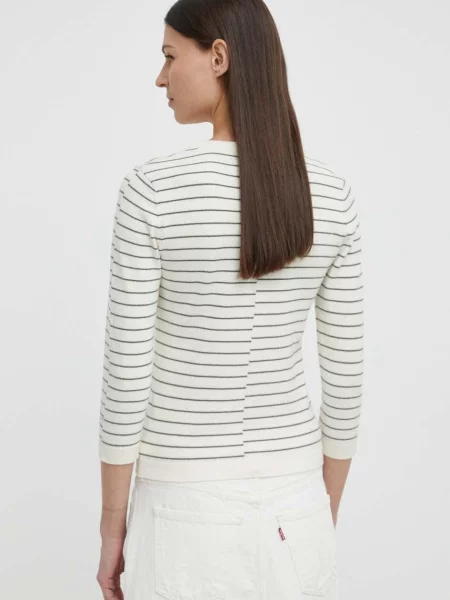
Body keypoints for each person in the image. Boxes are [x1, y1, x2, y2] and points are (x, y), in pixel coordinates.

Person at [96, 1, 364, 599]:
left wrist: (113, 528)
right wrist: (321, 510)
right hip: (298, 504)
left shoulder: (151, 191)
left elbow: (126, 378)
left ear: (219, 56)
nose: (160, 77)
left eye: (170, 57)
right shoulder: (332, 196)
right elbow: (345, 381)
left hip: (182, 510)